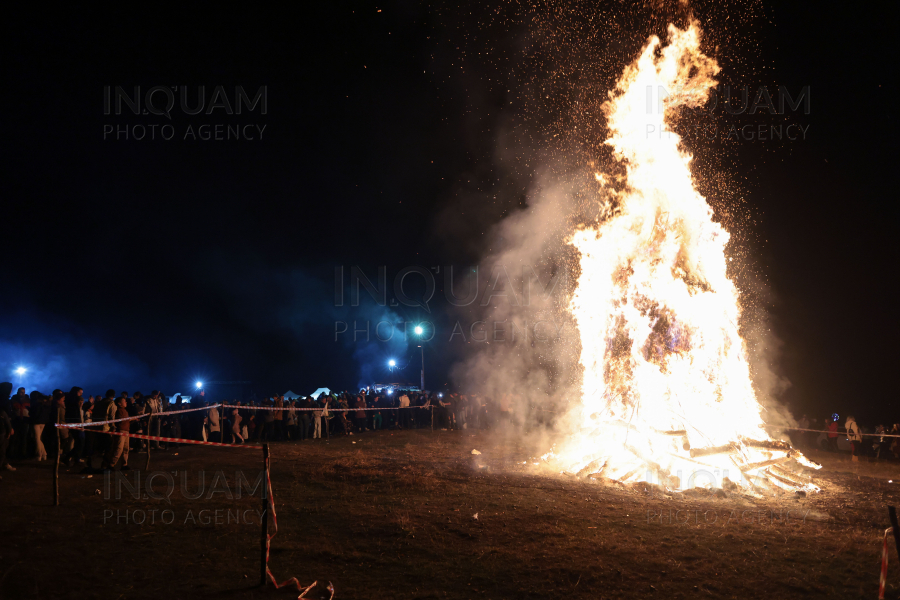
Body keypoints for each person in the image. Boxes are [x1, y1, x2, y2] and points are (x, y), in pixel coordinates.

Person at [102, 395, 131, 471]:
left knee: (126, 449)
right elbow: (121, 420)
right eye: (124, 401)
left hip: (126, 431)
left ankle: (124, 464)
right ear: (119, 403)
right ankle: (111, 464)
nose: (126, 402)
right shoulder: (119, 411)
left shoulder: (125, 410)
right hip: (121, 431)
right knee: (119, 448)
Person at [0, 382, 14, 475]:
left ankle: (4, 463)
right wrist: (9, 428)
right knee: (2, 448)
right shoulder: (4, 400)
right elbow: (5, 415)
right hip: (2, 427)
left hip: (3, 426)